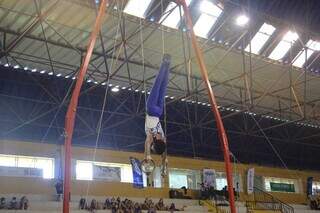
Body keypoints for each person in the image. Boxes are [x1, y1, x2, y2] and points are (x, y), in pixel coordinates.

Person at [142, 54, 171, 177]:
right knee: (157, 85)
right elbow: (147, 144)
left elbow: (164, 150)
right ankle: (164, 62)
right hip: (152, 109)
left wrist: (165, 161)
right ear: (155, 143)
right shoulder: (151, 136)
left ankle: (167, 64)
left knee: (163, 86)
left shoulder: (163, 137)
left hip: (159, 111)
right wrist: (147, 156)